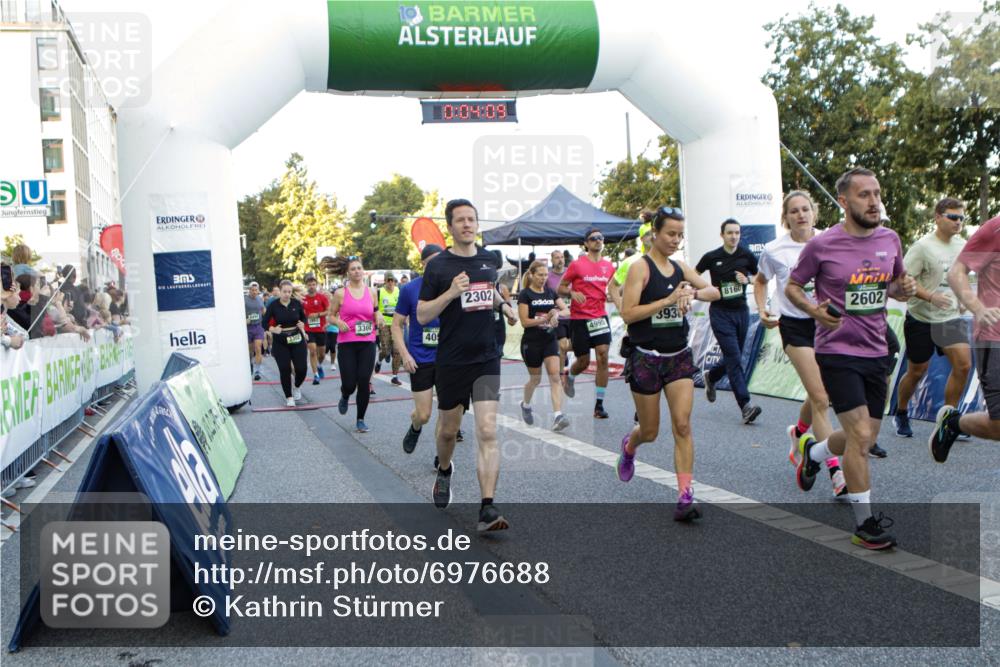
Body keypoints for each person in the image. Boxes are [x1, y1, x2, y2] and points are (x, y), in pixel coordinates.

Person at [786, 167, 916, 550]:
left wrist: (903, 287)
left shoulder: (891, 239)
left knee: (866, 435)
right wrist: (813, 310)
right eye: (864, 195)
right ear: (843, 201)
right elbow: (793, 287)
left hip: (877, 349)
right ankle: (865, 525)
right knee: (860, 437)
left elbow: (895, 284)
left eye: (877, 193)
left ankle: (814, 451)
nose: (874, 201)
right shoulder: (822, 245)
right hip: (836, 350)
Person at [418, 198, 516, 532]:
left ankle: (487, 508)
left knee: (487, 429)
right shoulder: (438, 266)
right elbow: (422, 315)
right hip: (452, 360)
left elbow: (491, 291)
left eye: (472, 219)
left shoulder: (489, 259)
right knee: (447, 430)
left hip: (487, 358)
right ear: (450, 226)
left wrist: (505, 306)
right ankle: (445, 470)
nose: (467, 224)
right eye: (460, 220)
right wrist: (449, 293)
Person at [617, 206, 720, 521]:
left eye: (680, 235)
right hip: (646, 357)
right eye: (670, 234)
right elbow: (628, 313)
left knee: (683, 425)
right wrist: (667, 300)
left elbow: (713, 291)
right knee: (650, 431)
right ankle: (630, 446)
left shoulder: (679, 267)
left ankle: (685, 496)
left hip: (678, 357)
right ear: (655, 234)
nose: (676, 240)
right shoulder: (640, 268)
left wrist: (692, 292)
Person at [754, 191, 846, 497]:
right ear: (786, 217)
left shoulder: (830, 240)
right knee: (820, 398)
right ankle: (836, 472)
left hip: (827, 323)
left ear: (814, 213)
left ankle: (799, 432)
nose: (801, 215)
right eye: (794, 211)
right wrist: (762, 308)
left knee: (823, 392)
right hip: (795, 326)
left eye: (805, 209)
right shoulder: (775, 249)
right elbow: (760, 280)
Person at [894, 198, 971, 438]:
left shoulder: (963, 245)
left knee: (963, 365)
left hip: (948, 319)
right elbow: (903, 281)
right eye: (952, 217)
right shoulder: (922, 247)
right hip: (921, 317)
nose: (958, 222)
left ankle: (948, 419)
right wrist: (930, 297)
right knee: (917, 370)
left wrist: (961, 299)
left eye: (961, 218)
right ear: (937, 217)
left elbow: (960, 277)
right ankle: (901, 411)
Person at [932, 212, 1000, 461]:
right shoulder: (995, 229)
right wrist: (978, 308)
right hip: (995, 337)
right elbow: (956, 273)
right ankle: (954, 423)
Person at [696, 218, 762, 424]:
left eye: (737, 233)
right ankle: (745, 406)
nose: (734, 236)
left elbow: (761, 278)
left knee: (735, 356)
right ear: (722, 235)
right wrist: (696, 291)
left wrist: (748, 280)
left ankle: (712, 376)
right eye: (730, 233)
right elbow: (692, 275)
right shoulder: (711, 257)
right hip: (720, 313)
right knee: (734, 358)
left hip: (741, 311)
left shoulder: (746, 255)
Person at [558, 226, 616, 419]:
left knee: (603, 356)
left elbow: (616, 288)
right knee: (583, 361)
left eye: (600, 237)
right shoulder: (577, 265)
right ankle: (570, 377)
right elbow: (561, 288)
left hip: (599, 317)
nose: (597, 241)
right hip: (580, 318)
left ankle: (599, 405)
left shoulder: (609, 266)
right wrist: (572, 293)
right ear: (586, 243)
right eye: (593, 238)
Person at [395, 244, 444, 459]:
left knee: (448, 415)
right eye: (432, 260)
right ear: (423, 264)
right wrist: (405, 355)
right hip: (420, 357)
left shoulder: (453, 288)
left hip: (447, 359)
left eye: (440, 259)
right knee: (424, 414)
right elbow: (396, 325)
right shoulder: (410, 289)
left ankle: (442, 456)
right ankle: (415, 426)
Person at [330, 256, 381, 433]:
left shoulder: (372, 292)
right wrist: (338, 323)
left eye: (359, 268)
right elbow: (331, 315)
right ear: (347, 273)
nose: (357, 271)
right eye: (353, 269)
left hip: (367, 341)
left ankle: (360, 419)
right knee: (350, 383)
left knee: (364, 380)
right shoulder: (340, 293)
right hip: (347, 343)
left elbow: (375, 311)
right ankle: (345, 394)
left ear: (363, 270)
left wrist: (379, 316)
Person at [518, 260, 571, 432]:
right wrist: (545, 319)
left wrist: (555, 312)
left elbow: (566, 311)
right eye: (540, 275)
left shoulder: (550, 292)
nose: (543, 278)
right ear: (532, 275)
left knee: (555, 376)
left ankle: (558, 416)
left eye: (545, 275)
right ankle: (525, 404)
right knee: (535, 379)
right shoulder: (525, 294)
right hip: (531, 342)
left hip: (549, 340)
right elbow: (525, 322)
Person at [262, 280, 308, 407]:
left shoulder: (296, 303)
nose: (287, 294)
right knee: (285, 369)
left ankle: (297, 386)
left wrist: (302, 323)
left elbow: (304, 317)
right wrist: (272, 329)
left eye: (289, 292)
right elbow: (264, 322)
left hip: (296, 338)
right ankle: (289, 397)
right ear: (280, 291)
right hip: (281, 340)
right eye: (284, 292)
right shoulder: (273, 305)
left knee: (302, 369)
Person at [609, 220, 655, 313]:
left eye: (654, 233)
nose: (652, 237)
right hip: (638, 321)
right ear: (641, 238)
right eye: (648, 234)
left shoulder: (667, 260)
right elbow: (612, 287)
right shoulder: (630, 261)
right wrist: (620, 308)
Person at [301, 273, 331, 386]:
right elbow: (300, 313)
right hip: (309, 329)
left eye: (313, 284)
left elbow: (328, 311)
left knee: (322, 354)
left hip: (321, 329)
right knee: (312, 351)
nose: (311, 286)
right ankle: (315, 375)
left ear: (316, 285)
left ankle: (319, 365)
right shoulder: (303, 299)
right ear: (306, 286)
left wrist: (318, 314)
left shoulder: (322, 297)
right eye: (309, 285)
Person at [545, 249, 572, 376]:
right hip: (558, 314)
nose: (560, 260)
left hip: (573, 314)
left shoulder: (570, 273)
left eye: (562, 257)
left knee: (568, 345)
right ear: (552, 260)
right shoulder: (548, 277)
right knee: (563, 344)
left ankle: (561, 354)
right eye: (556, 257)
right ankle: (561, 374)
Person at [377, 273, 403, 385]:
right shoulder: (379, 292)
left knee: (397, 350)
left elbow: (404, 305)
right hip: (384, 324)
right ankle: (379, 361)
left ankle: (395, 376)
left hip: (396, 324)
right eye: (388, 280)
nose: (391, 282)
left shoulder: (399, 291)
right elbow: (374, 307)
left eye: (392, 280)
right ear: (385, 281)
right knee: (385, 350)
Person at [245, 281, 266, 380]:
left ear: (258, 290)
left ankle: (257, 371)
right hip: (248, 327)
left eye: (256, 290)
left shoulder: (259, 299)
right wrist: (245, 320)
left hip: (258, 326)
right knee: (250, 351)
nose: (254, 292)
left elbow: (263, 309)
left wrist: (265, 314)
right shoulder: (244, 299)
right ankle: (249, 364)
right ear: (249, 290)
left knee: (258, 347)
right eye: (252, 290)